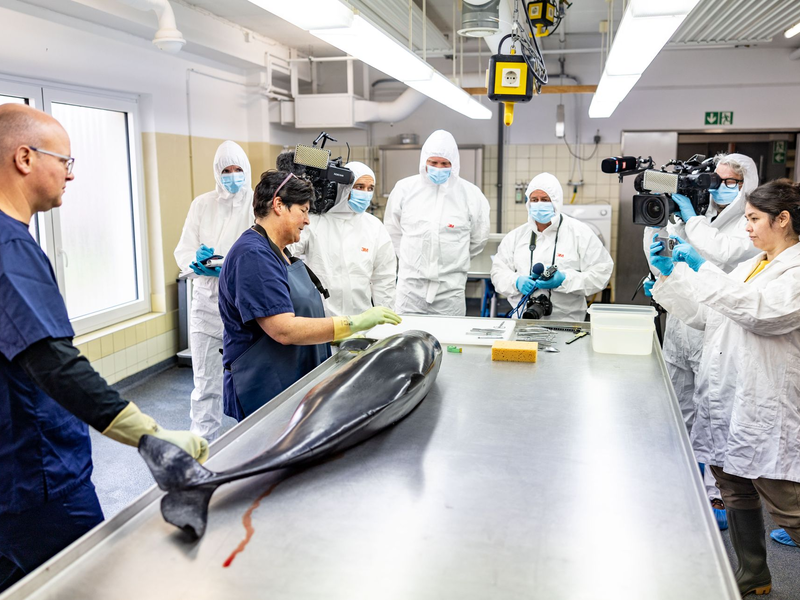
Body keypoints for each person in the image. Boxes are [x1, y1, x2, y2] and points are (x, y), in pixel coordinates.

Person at [0, 104, 207, 593]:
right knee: (86, 582)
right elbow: (52, 362)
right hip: (37, 475)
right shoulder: (9, 249)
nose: (71, 175)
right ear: (25, 158)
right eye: (65, 161)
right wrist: (150, 434)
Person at [647, 179, 800, 597]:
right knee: (734, 489)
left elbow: (759, 313)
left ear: (782, 219)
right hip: (729, 399)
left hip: (764, 404)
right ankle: (753, 573)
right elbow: (708, 316)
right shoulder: (755, 264)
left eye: (753, 218)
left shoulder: (796, 271)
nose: (747, 227)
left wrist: (700, 266)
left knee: (789, 506)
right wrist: (669, 280)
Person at [218, 170, 401, 421]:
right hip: (265, 385)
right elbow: (284, 329)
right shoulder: (254, 256)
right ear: (279, 205)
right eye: (303, 211)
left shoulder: (279, 252)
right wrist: (353, 323)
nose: (307, 220)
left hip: (289, 377)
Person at [644, 153, 760, 530]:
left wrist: (690, 220)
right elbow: (661, 246)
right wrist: (663, 224)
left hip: (720, 332)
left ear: (747, 186)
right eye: (718, 180)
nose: (722, 188)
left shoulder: (749, 225)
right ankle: (680, 480)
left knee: (715, 413)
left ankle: (717, 493)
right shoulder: (698, 217)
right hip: (682, 321)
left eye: (732, 182)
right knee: (678, 409)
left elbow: (722, 253)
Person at [174, 141, 254, 442]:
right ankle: (202, 447)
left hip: (243, 309)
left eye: (237, 170)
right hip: (206, 305)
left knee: (246, 383)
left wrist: (232, 268)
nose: (232, 176)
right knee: (206, 385)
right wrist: (196, 262)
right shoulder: (202, 204)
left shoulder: (256, 203)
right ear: (216, 174)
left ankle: (249, 446)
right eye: (226, 171)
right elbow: (184, 250)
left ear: (246, 170)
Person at [384, 130, 490, 316]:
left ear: (454, 164)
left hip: (450, 290)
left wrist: (453, 261)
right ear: (424, 161)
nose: (438, 168)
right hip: (410, 288)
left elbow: (478, 238)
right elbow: (393, 230)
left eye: (444, 163)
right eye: (433, 163)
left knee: (449, 343)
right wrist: (412, 261)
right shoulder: (405, 189)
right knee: (406, 340)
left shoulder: (471, 195)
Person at [491, 172, 613, 320]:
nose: (539, 204)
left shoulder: (579, 233)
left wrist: (565, 280)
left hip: (566, 322)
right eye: (534, 200)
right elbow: (498, 272)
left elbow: (602, 273)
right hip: (523, 320)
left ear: (556, 202)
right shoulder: (516, 236)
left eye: (545, 199)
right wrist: (516, 281)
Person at [289, 161, 396, 316]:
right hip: (322, 318)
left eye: (370, 188)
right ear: (344, 187)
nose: (365, 193)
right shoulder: (314, 221)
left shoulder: (374, 227)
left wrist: (385, 319)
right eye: (359, 187)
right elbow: (286, 254)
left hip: (362, 320)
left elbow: (384, 278)